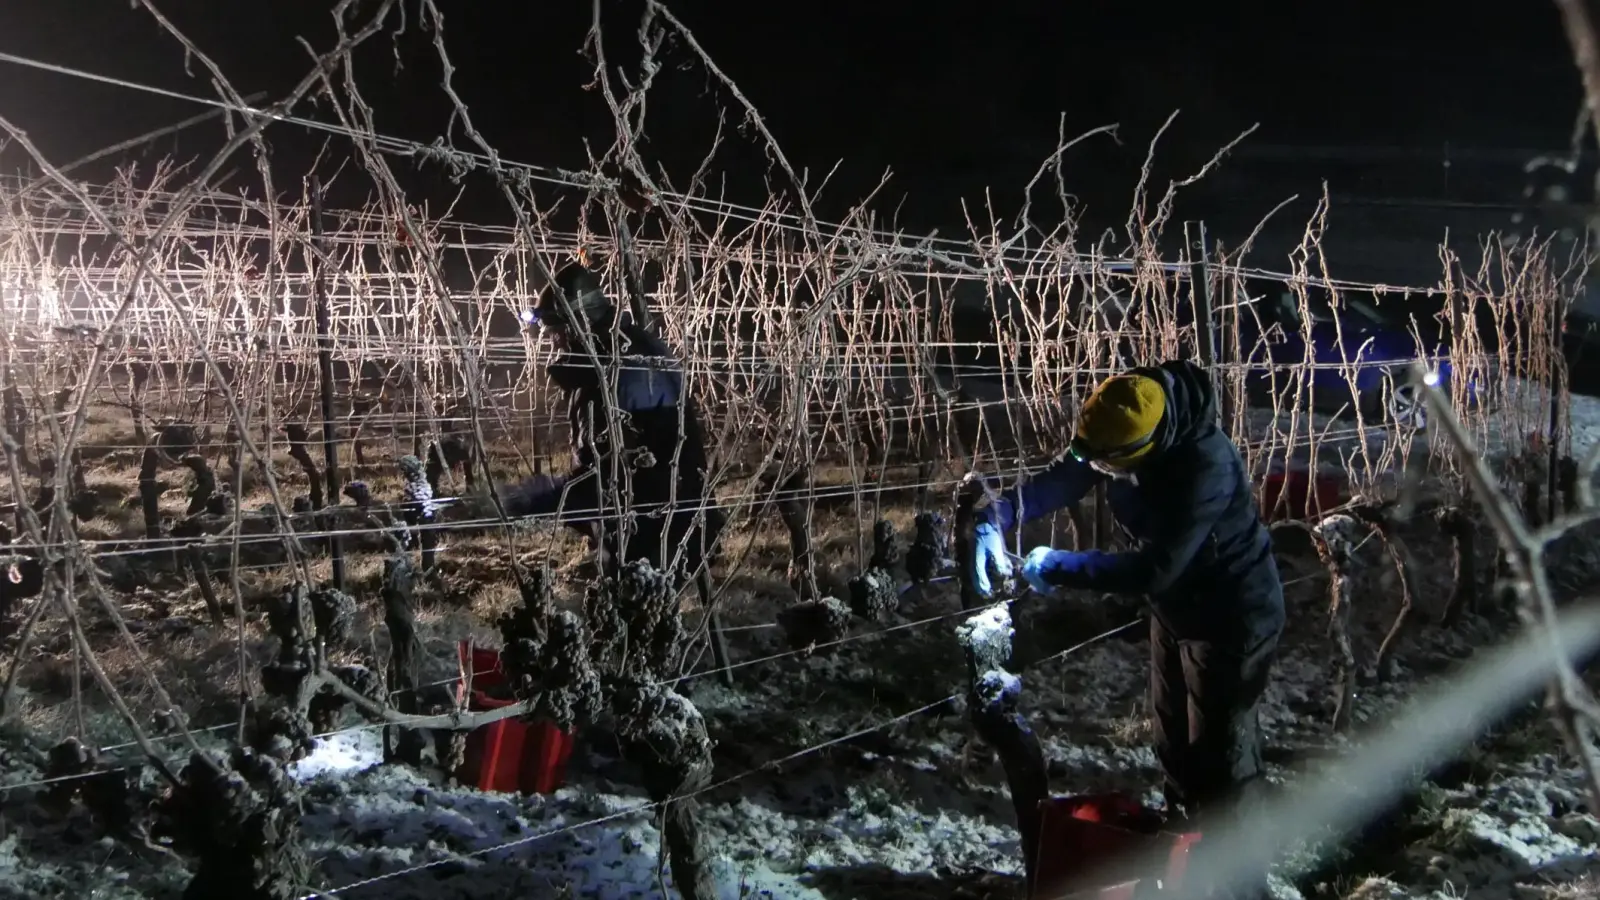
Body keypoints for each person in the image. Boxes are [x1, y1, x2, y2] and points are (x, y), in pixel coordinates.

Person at [970, 358, 1284, 897]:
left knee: (1223, 764)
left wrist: (1058, 564)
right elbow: (1069, 473)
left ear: (1141, 450)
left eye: (1105, 464)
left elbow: (1154, 569)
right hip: (1178, 612)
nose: (1094, 468)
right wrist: (1000, 514)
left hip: (1233, 616)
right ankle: (1187, 867)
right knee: (1175, 747)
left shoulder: (1205, 466)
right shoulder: (1123, 417)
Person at [502, 262, 723, 585]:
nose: (554, 342)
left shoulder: (626, 372)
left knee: (640, 619)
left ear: (582, 325)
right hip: (650, 526)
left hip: (656, 533)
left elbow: (615, 476)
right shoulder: (609, 359)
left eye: (558, 332)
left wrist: (535, 499)